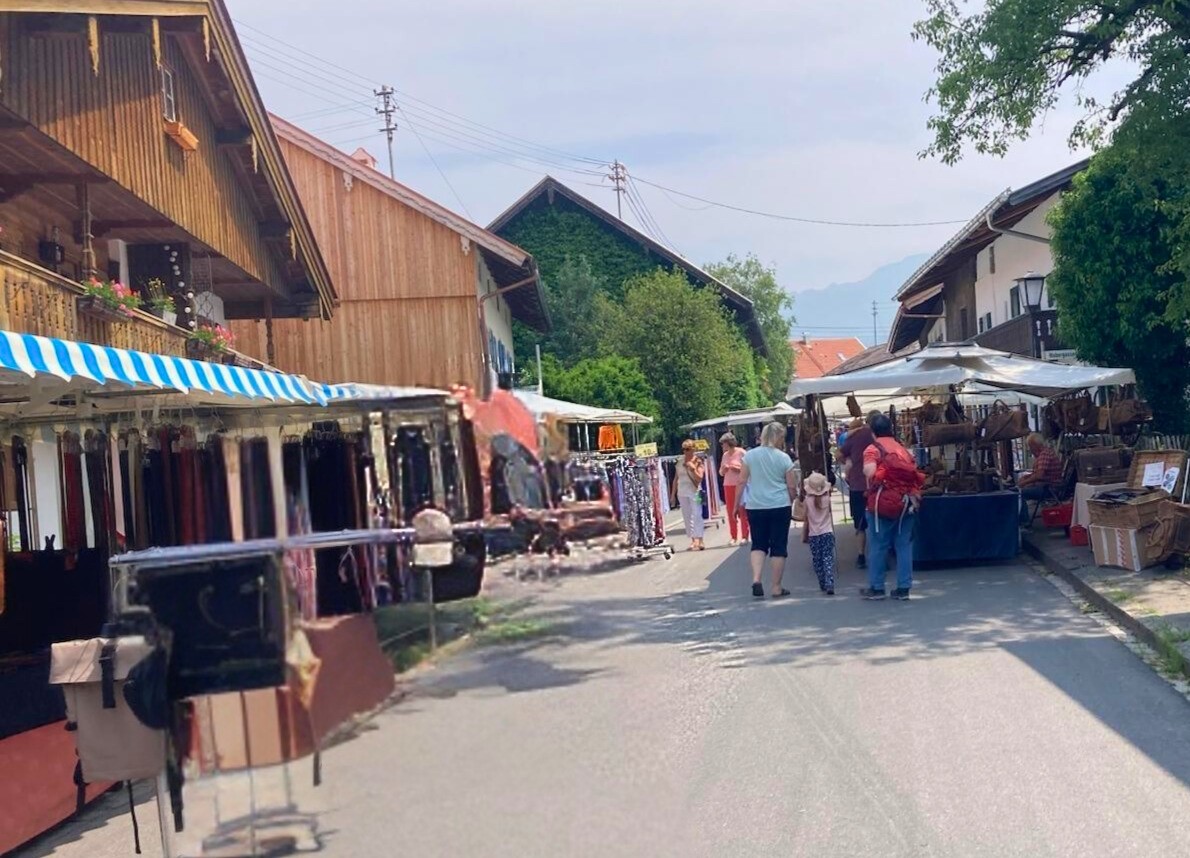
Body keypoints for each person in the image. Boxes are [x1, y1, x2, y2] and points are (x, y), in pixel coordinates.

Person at [860, 414, 922, 601]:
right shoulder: (902, 449)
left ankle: (877, 588)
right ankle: (903, 588)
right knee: (904, 545)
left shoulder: (873, 449)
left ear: (873, 431)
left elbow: (870, 472)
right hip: (906, 501)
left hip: (882, 502)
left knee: (879, 545)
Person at [737, 421, 797, 599]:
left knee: (758, 543)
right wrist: (792, 499)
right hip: (779, 505)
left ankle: (756, 579)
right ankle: (776, 587)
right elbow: (791, 485)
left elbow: (741, 481)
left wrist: (736, 505)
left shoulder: (750, 456)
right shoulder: (784, 458)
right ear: (779, 437)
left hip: (756, 506)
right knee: (778, 546)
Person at [838, 413, 876, 569]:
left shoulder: (854, 437)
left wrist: (849, 462)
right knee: (878, 521)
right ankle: (880, 554)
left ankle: (861, 555)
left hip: (857, 485)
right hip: (875, 484)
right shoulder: (876, 435)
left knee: (860, 524)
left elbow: (839, 454)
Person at [1018, 433, 1064, 523]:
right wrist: (1027, 477)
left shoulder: (1044, 455)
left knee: (1020, 493)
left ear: (1035, 445)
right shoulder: (1046, 452)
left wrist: (1024, 482)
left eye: (1030, 446)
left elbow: (1039, 475)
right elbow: (1038, 473)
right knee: (1021, 489)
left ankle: (1023, 521)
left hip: (1050, 489)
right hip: (1049, 486)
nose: (1030, 449)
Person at [803, 471, 836, 595]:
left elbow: (805, 517)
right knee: (828, 557)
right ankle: (830, 581)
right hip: (827, 531)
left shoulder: (807, 501)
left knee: (817, 560)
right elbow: (830, 512)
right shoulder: (827, 499)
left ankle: (822, 582)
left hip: (814, 534)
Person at [671, 439, 706, 551]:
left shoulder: (698, 461)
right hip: (682, 491)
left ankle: (700, 539)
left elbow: (700, 478)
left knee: (697, 514)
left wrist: (693, 469)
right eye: (684, 449)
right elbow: (676, 479)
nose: (685, 451)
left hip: (695, 491)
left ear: (693, 449)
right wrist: (672, 495)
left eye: (688, 449)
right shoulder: (680, 462)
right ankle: (693, 540)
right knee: (687, 516)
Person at [718, 432, 750, 546]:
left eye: (723, 443)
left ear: (729, 443)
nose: (722, 446)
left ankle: (745, 536)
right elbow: (720, 472)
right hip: (728, 485)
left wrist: (735, 468)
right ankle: (733, 536)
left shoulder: (741, 452)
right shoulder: (725, 455)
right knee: (731, 511)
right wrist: (723, 470)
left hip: (740, 484)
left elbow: (748, 468)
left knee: (742, 510)